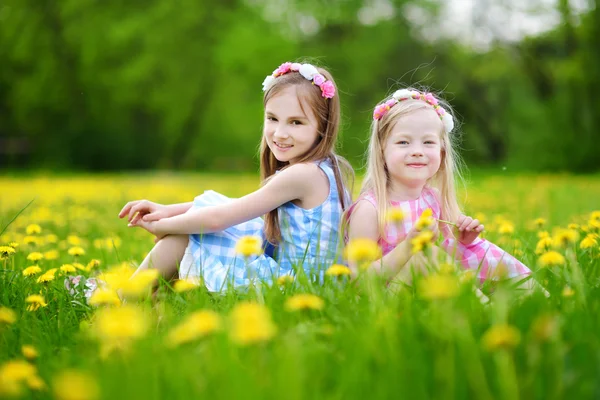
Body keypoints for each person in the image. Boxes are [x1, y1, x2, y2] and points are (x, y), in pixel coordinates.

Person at [119, 61, 353, 292]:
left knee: (190, 234)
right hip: (309, 283)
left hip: (297, 289)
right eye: (272, 119)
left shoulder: (304, 174)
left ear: (323, 126)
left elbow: (217, 219)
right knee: (201, 224)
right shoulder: (325, 168)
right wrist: (168, 211)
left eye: (296, 122)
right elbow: (234, 207)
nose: (280, 133)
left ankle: (121, 300)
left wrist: (163, 226)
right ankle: (152, 301)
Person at [346, 88, 532, 286]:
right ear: (382, 150)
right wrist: (408, 247)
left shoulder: (433, 198)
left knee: (484, 252)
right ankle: (484, 312)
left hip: (434, 291)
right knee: (428, 254)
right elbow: (358, 280)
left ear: (442, 152)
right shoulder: (370, 209)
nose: (417, 151)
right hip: (388, 299)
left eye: (428, 142)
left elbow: (452, 257)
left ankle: (529, 299)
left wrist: (463, 239)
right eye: (403, 142)